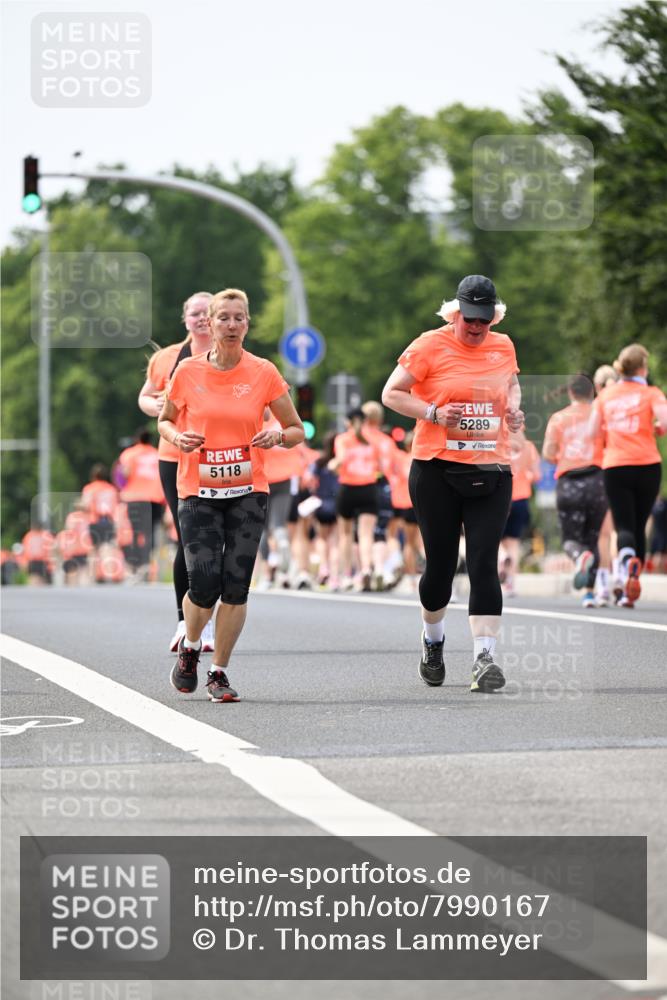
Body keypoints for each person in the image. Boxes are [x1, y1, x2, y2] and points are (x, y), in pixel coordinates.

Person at [158, 288, 304, 702]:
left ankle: (218, 671)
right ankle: (190, 647)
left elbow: (296, 429)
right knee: (203, 583)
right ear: (210, 323)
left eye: (240, 318)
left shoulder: (263, 372)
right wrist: (176, 435)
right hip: (198, 490)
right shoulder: (187, 371)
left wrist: (277, 435)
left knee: (236, 586)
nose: (232, 325)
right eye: (224, 318)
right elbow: (165, 421)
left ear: (248, 323)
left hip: (247, 490)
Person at [382, 274, 524, 693]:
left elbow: (511, 384)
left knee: (483, 562)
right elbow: (391, 394)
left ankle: (484, 658)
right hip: (437, 471)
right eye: (470, 320)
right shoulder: (429, 344)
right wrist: (432, 413)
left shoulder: (504, 344)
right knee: (441, 568)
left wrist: (513, 411)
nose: (477, 328)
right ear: (456, 312)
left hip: (491, 468)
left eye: (484, 320)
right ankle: (432, 639)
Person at [138, 291, 214, 650]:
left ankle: (209, 620)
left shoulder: (231, 357)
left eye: (207, 313)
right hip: (175, 456)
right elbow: (145, 396)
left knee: (217, 542)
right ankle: (186, 624)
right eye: (195, 313)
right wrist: (155, 406)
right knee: (189, 539)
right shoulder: (167, 358)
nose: (201, 318)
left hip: (222, 457)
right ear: (185, 318)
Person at [591, 343, 667, 606]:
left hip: (616, 466)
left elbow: (593, 432)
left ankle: (625, 565)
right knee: (639, 524)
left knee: (623, 526)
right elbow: (665, 421)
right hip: (648, 465)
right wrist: (657, 428)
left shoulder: (606, 396)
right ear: (643, 368)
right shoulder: (652, 393)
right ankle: (629, 592)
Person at [542, 373, 609, 608]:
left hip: (569, 481)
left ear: (570, 393)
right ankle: (590, 594)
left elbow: (548, 453)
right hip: (597, 481)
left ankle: (580, 558)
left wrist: (565, 456)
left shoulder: (558, 418)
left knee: (572, 539)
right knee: (593, 537)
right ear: (592, 393)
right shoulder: (600, 416)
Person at [329, 408, 383, 591]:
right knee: (366, 534)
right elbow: (380, 466)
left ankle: (347, 575)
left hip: (348, 488)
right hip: (369, 488)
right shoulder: (373, 440)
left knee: (345, 535)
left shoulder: (343, 439)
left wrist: (332, 466)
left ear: (348, 422)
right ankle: (366, 568)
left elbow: (340, 459)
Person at [117, 428, 165, 580]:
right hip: (154, 497)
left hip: (134, 497)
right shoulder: (157, 453)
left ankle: (137, 565)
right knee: (150, 532)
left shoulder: (130, 453)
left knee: (136, 532)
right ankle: (147, 562)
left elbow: (125, 473)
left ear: (137, 439)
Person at [499, 429, 541, 598]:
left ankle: (502, 556)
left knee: (495, 539)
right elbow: (537, 475)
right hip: (521, 498)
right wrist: (525, 477)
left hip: (501, 497)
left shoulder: (499, 442)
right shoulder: (529, 447)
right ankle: (510, 583)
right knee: (514, 542)